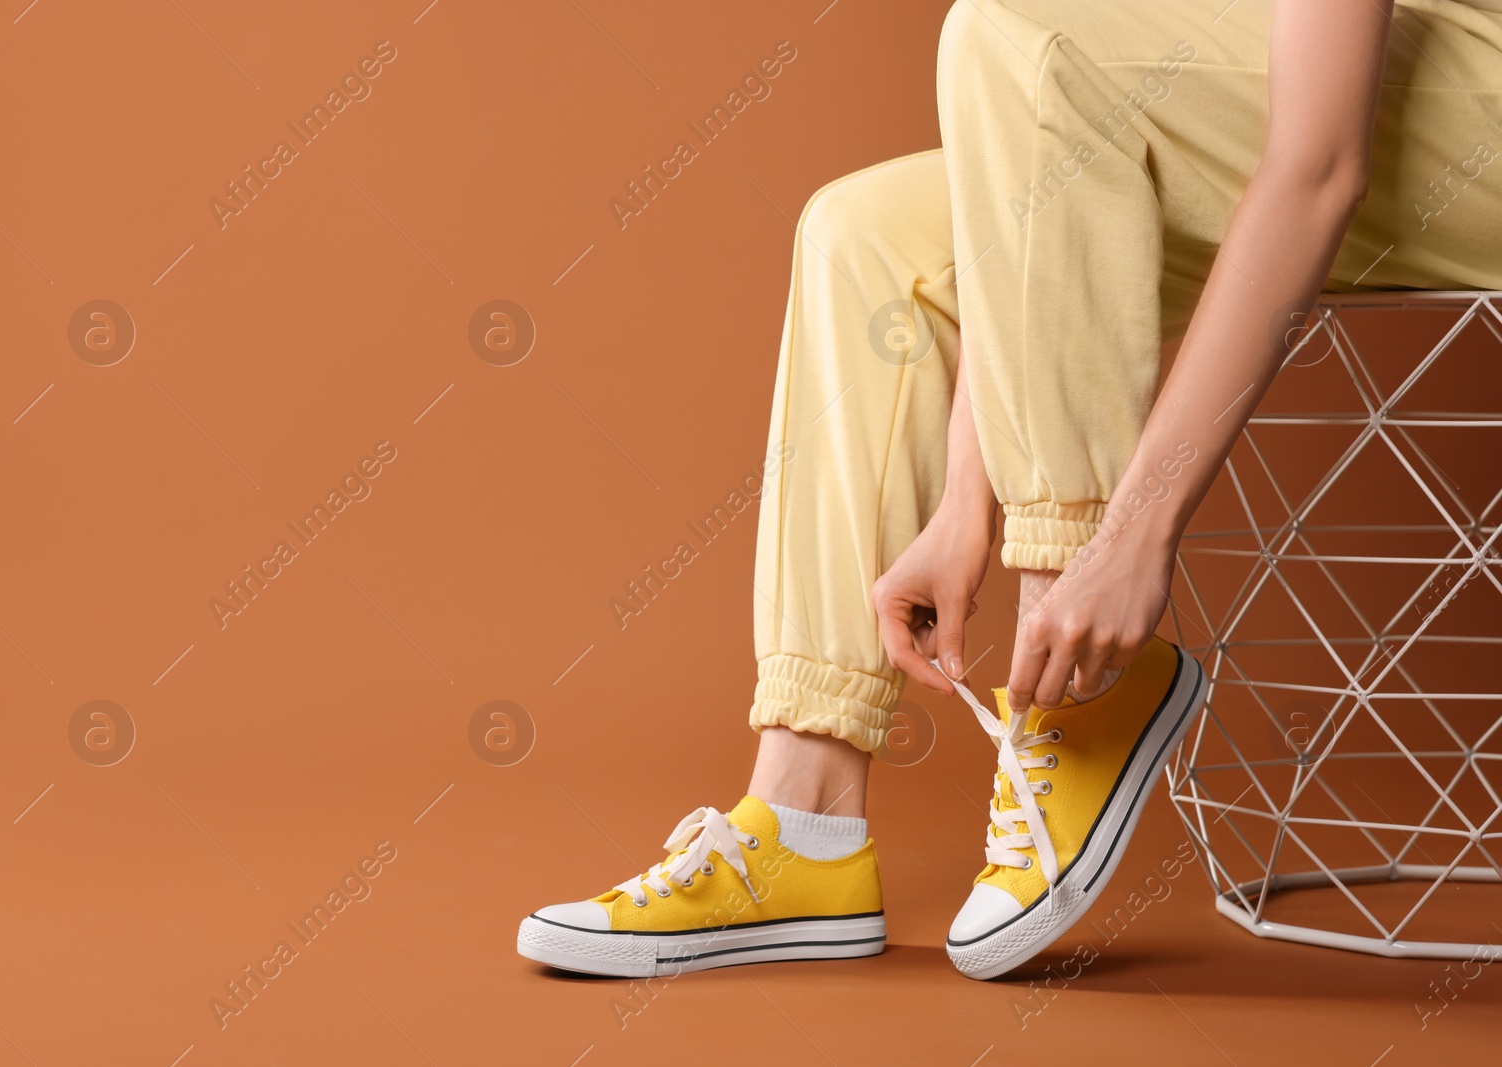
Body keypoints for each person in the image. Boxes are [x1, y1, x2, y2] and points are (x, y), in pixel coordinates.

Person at [519, 0, 1502, 980]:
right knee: (866, 232)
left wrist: (1126, 537)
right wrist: (962, 497)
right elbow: (1028, 170)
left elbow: (1318, 163)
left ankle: (1075, 686)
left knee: (1018, 42)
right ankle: (802, 814)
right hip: (1320, 101)